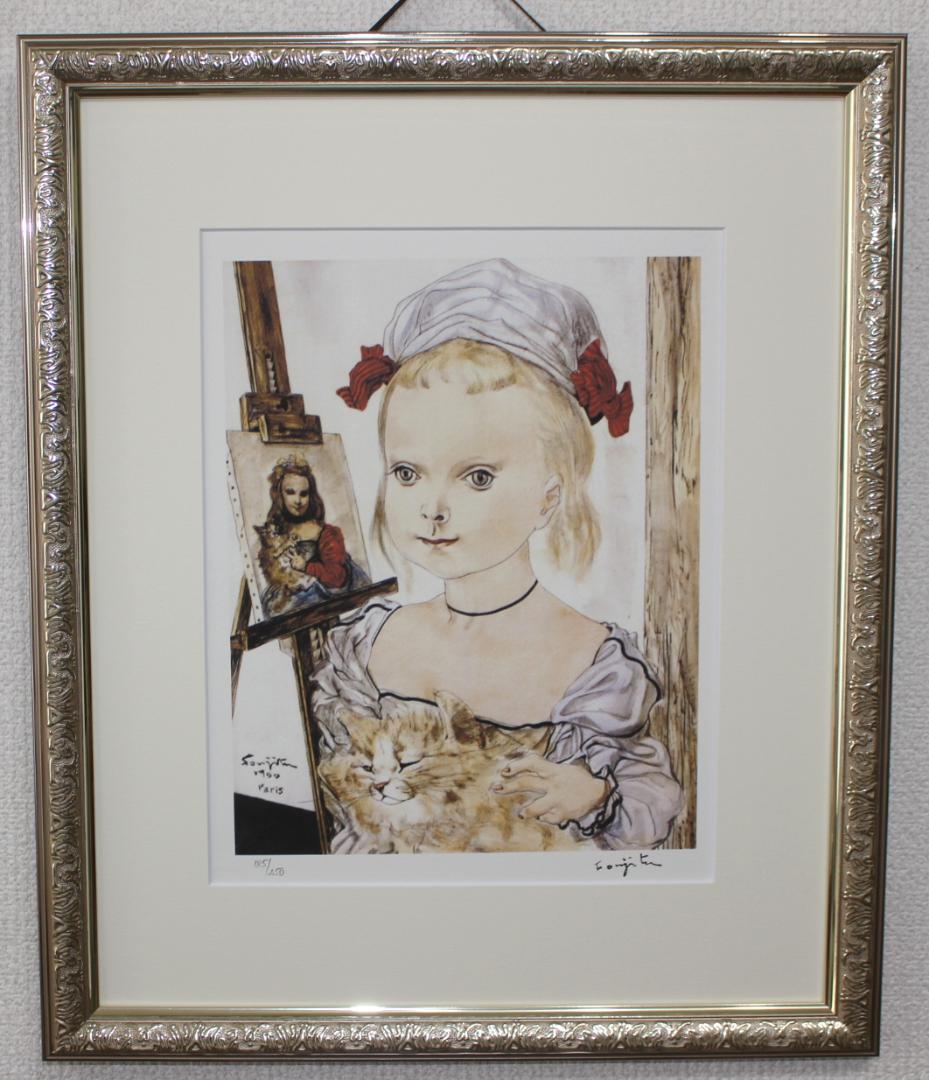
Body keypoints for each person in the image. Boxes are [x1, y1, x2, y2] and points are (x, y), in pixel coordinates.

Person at [313, 258, 683, 850]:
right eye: (407, 472)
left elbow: (645, 812)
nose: (433, 508)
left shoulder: (593, 661)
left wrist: (594, 796)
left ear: (549, 496)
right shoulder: (371, 643)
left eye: (478, 477)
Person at [255, 454, 369, 616]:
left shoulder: (327, 533)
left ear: (311, 495)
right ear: (279, 494)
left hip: (326, 598)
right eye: (290, 492)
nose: (298, 501)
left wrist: (306, 567)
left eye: (304, 494)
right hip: (289, 598)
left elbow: (337, 578)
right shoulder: (276, 531)